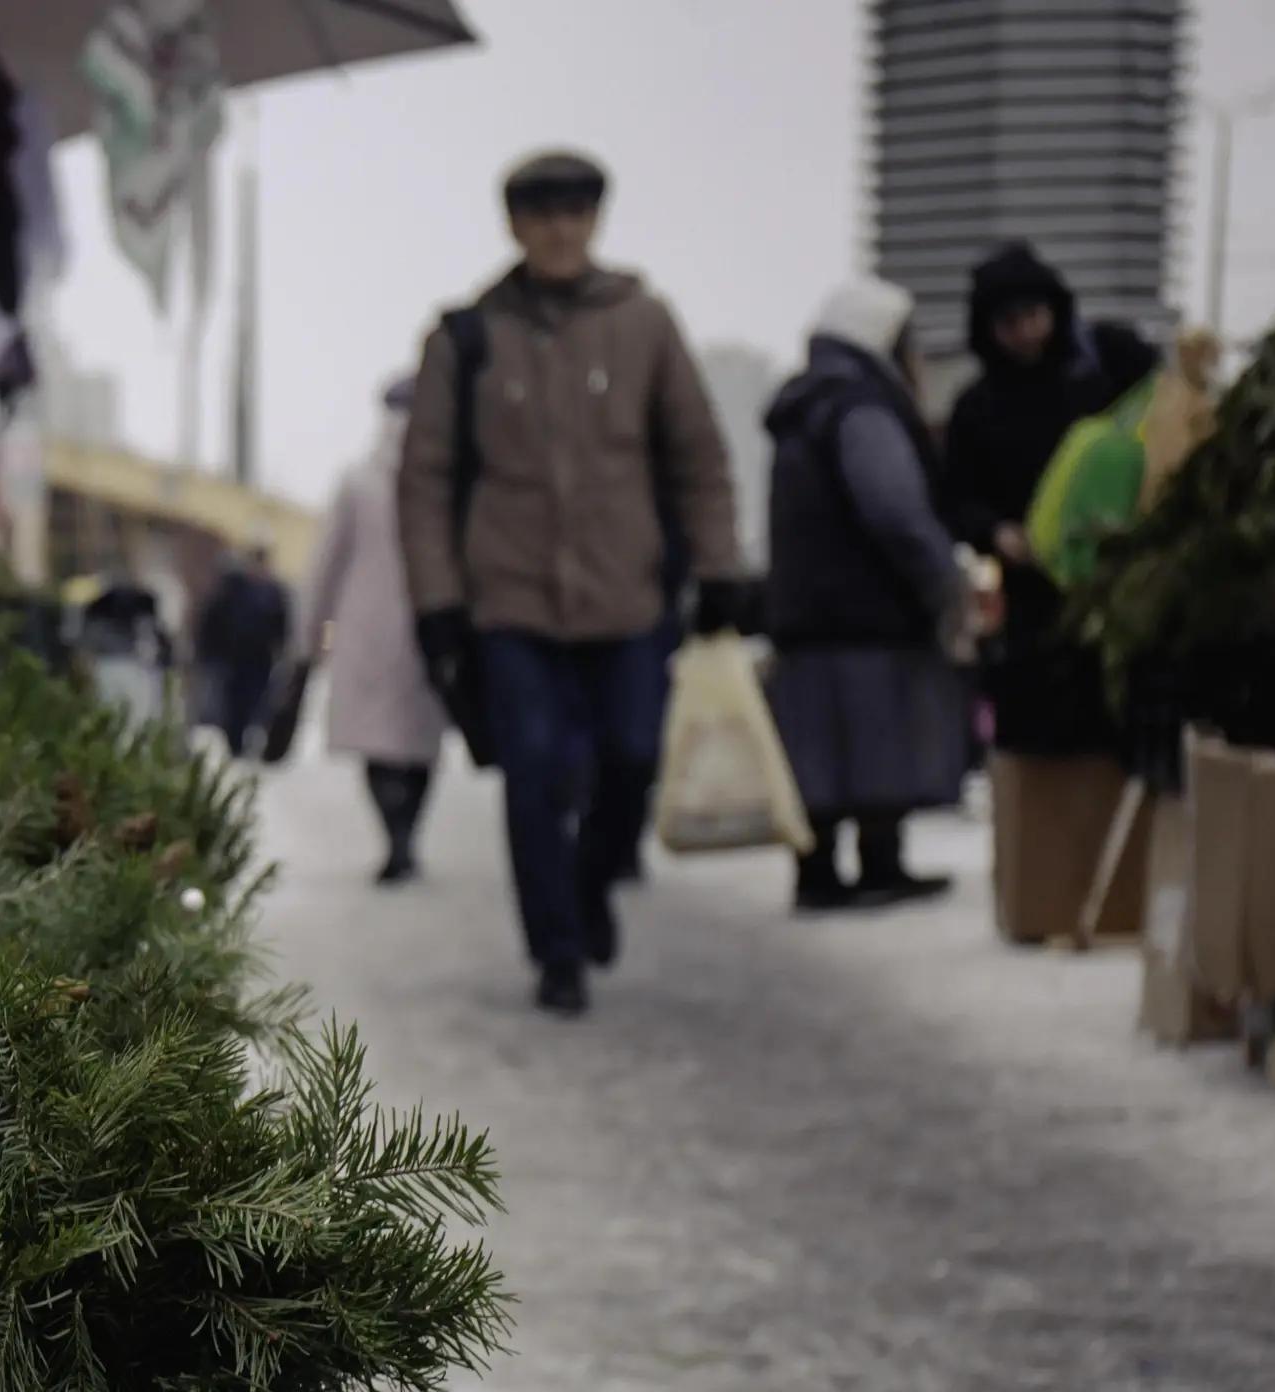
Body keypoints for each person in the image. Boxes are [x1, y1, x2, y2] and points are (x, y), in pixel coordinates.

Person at [399, 148, 750, 1016]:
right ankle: (555, 951)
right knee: (533, 773)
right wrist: (437, 603)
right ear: (514, 226)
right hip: (509, 598)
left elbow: (697, 457)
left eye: (575, 213)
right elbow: (426, 480)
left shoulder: (642, 323)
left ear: (594, 222)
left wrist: (718, 568)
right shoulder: (464, 336)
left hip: (624, 594)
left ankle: (592, 882)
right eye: (541, 214)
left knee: (631, 757)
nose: (560, 230)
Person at [763, 276, 972, 911]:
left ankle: (818, 870)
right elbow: (895, 509)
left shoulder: (806, 407)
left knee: (819, 751)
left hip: (808, 614)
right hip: (868, 614)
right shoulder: (862, 408)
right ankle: (880, 864)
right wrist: (944, 579)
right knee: (878, 739)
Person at [939, 243, 1118, 759]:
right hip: (1025, 603)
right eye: (1009, 322)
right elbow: (955, 498)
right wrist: (996, 532)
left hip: (1101, 587)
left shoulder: (1093, 384)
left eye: (1033, 316)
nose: (1024, 333)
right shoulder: (976, 407)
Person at [301, 374, 453, 881]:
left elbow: (326, 563)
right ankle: (408, 833)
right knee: (418, 741)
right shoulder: (448, 480)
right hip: (432, 623)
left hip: (366, 628)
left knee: (378, 744)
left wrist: (307, 635)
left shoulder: (358, 480)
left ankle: (396, 837)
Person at [191, 546, 293, 756]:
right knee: (232, 702)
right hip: (232, 657)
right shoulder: (233, 587)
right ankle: (234, 741)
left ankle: (241, 738)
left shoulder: (272, 592)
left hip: (259, 658)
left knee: (254, 700)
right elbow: (213, 619)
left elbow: (281, 625)